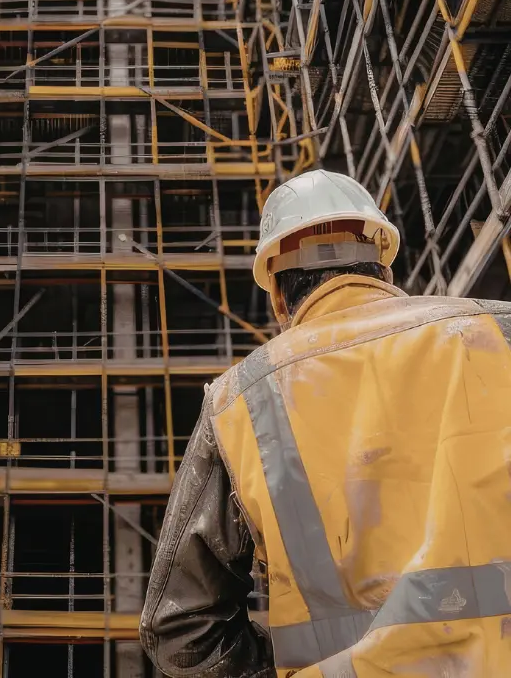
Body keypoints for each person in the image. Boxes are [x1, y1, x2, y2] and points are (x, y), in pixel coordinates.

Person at [140, 168, 511, 677]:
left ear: (277, 296)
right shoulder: (500, 332)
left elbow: (182, 632)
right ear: (384, 271)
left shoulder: (239, 403)